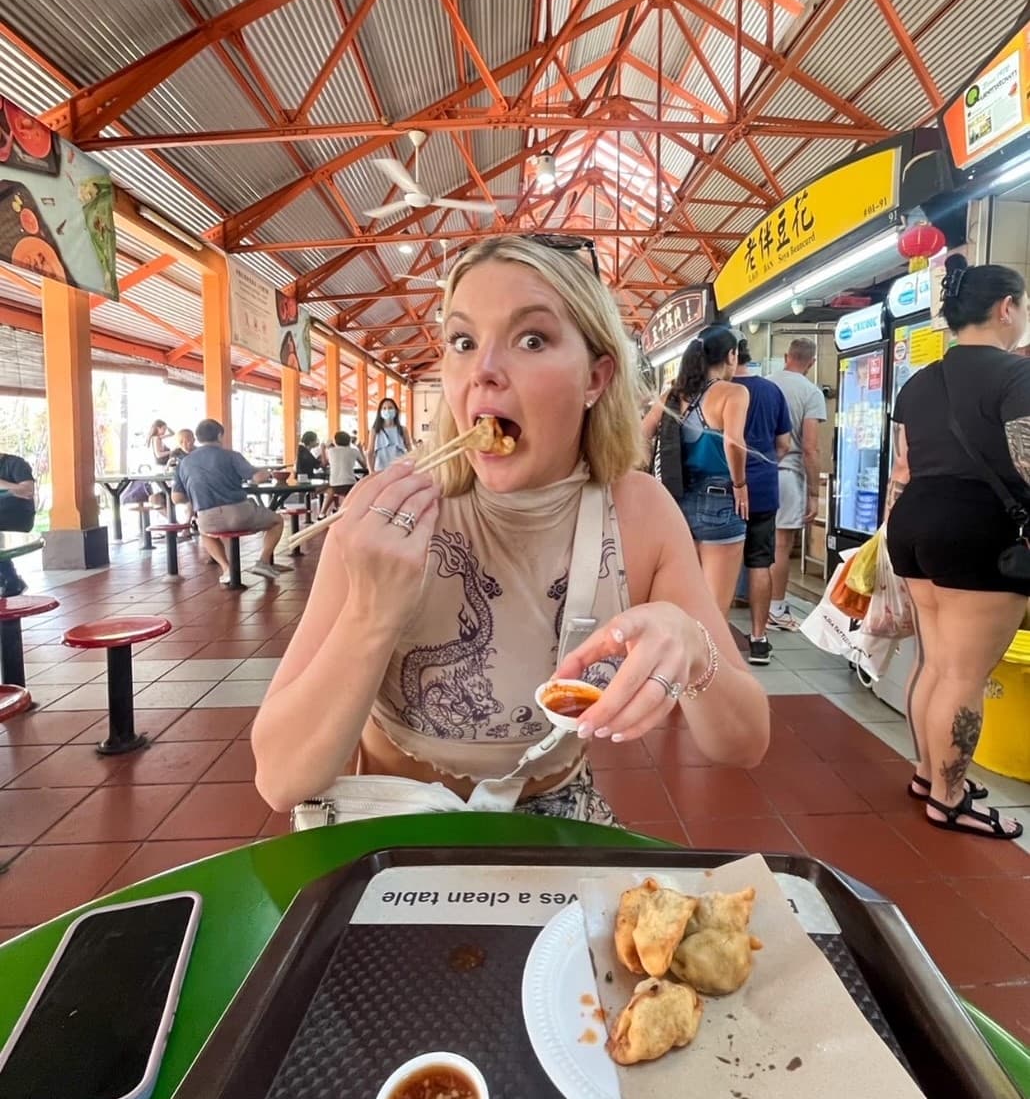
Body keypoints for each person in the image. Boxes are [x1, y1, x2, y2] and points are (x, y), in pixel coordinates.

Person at [252, 235, 768, 819]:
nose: (485, 371)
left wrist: (694, 648)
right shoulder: (392, 512)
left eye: (532, 339)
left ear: (596, 379)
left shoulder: (641, 513)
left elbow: (744, 743)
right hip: (388, 822)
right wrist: (370, 613)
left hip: (555, 817)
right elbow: (280, 779)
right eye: (463, 341)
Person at [886, 254, 1030, 841]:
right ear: (1005, 308)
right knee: (965, 675)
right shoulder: (1016, 375)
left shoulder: (919, 380)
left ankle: (927, 774)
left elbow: (903, 465)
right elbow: (1027, 461)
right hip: (978, 530)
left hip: (914, 523)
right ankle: (948, 799)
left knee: (936, 663)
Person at [642, 326, 750, 618]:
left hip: (675, 501)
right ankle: (709, 661)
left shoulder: (672, 395)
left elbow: (641, 436)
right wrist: (740, 485)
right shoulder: (734, 392)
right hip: (719, 501)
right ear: (731, 355)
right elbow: (734, 443)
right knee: (714, 608)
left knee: (683, 602)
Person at [734, 338, 792, 664]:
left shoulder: (718, 390)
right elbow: (783, 443)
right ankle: (759, 639)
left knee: (719, 562)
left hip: (725, 487)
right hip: (764, 488)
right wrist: (766, 462)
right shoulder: (771, 392)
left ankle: (714, 641)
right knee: (759, 561)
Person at [172, 419, 286, 584]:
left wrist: (197, 490)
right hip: (239, 514)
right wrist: (267, 472)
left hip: (207, 518)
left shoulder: (183, 463)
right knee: (277, 521)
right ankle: (263, 561)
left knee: (205, 533)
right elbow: (257, 478)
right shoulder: (231, 456)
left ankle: (227, 569)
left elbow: (176, 498)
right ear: (219, 435)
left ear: (197, 438)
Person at [767, 338, 826, 631]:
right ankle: (776, 607)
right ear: (812, 362)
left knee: (754, 542)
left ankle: (752, 601)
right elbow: (811, 448)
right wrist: (814, 493)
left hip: (755, 474)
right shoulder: (811, 393)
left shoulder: (764, 385)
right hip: (788, 475)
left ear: (786, 356)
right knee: (780, 545)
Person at [0, 451, 36, 597]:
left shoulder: (15, 464)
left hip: (17, 517)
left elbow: (28, 491)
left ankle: (10, 580)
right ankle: (9, 580)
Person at [319, 431, 366, 518]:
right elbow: (365, 465)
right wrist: (360, 450)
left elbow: (324, 463)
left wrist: (322, 449)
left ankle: (322, 513)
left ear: (335, 441)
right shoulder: (354, 451)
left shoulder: (331, 451)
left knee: (330, 490)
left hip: (334, 484)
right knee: (355, 490)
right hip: (350, 483)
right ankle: (350, 511)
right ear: (349, 441)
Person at [367, 398, 411, 472]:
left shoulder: (403, 429)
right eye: (384, 408)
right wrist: (371, 470)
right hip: (381, 469)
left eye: (390, 408)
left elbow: (409, 447)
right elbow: (370, 452)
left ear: (396, 410)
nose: (387, 410)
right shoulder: (375, 430)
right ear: (380, 412)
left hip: (400, 469)